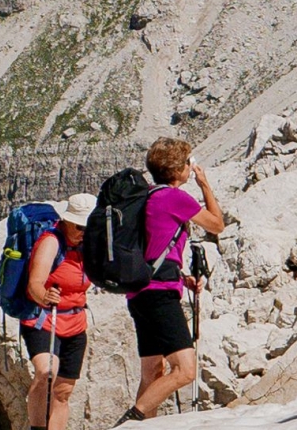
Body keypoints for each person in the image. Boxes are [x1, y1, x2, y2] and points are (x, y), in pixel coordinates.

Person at [116, 137, 225, 424]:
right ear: (178, 169)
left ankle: (143, 424)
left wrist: (181, 277)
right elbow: (217, 224)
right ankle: (133, 420)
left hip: (139, 293)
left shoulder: (148, 197)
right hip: (159, 295)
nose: (191, 167)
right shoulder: (175, 197)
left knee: (152, 370)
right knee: (185, 369)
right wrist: (204, 185)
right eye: (188, 163)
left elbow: (154, 247)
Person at [22, 193, 97, 430]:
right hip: (44, 320)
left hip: (76, 324)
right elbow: (35, 282)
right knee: (46, 371)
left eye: (88, 226)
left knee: (63, 392)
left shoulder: (88, 246)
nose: (84, 231)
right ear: (66, 221)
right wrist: (44, 296)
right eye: (79, 226)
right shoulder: (51, 242)